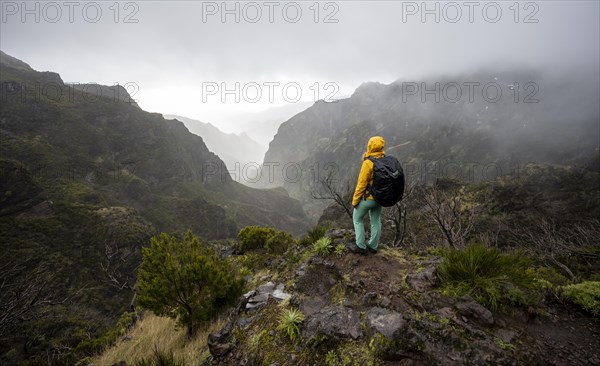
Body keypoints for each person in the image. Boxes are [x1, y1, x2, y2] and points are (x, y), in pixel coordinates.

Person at [350, 136, 385, 255]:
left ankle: (361, 246)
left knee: (357, 219)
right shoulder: (385, 160)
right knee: (376, 220)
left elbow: (361, 184)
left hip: (368, 198)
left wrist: (355, 201)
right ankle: (373, 246)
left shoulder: (368, 163)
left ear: (369, 146)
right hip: (380, 198)